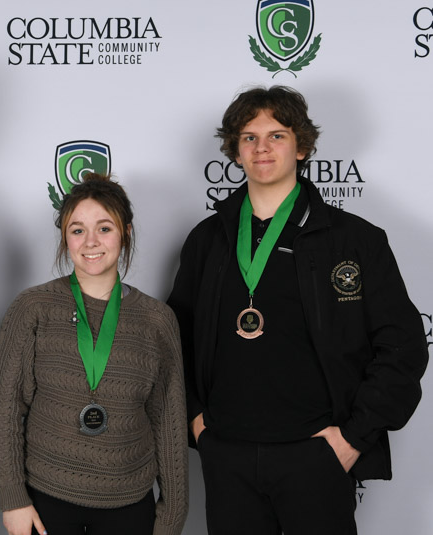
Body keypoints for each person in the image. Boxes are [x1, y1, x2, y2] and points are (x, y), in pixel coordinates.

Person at [168, 85, 428, 534]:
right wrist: (197, 424)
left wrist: (352, 439)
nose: (261, 147)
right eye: (248, 137)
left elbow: (403, 348)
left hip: (317, 453)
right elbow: (175, 339)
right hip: (226, 452)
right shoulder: (208, 240)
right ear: (234, 152)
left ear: (302, 146)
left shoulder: (355, 240)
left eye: (277, 135)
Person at [0, 173, 188, 535]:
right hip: (45, 502)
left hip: (129, 505)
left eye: (104, 228)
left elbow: (169, 424)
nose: (90, 242)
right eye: (78, 230)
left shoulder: (157, 320)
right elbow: (4, 408)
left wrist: (172, 515)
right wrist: (12, 497)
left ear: (125, 232)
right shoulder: (33, 307)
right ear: (65, 237)